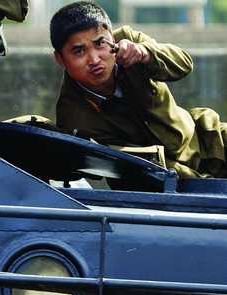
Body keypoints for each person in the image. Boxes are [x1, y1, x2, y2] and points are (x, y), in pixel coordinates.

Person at [50, 1, 227, 178]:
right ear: (60, 59)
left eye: (100, 44)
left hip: (208, 138)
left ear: (112, 37)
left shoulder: (129, 41)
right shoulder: (71, 116)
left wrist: (145, 53)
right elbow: (110, 168)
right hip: (164, 180)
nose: (94, 59)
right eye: (79, 51)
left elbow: (184, 64)